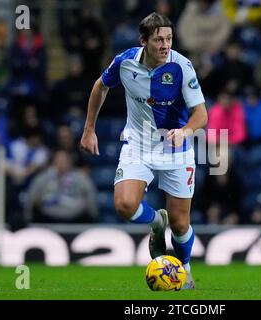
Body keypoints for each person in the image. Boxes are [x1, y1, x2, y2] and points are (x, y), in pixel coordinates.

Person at [80, 12, 208, 289]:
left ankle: (184, 270)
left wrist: (185, 131)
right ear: (144, 41)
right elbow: (100, 86)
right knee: (125, 205)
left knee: (181, 224)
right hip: (138, 145)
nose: (165, 45)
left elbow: (201, 114)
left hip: (177, 149)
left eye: (169, 39)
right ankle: (155, 223)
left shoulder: (182, 66)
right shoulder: (125, 62)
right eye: (159, 39)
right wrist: (89, 128)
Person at [24, 149, 98, 223]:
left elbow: (91, 202)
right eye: (58, 162)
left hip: (75, 216)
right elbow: (32, 199)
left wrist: (93, 215)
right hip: (48, 217)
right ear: (53, 163)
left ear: (70, 162)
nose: (61, 164)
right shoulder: (42, 178)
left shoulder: (81, 179)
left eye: (64, 161)